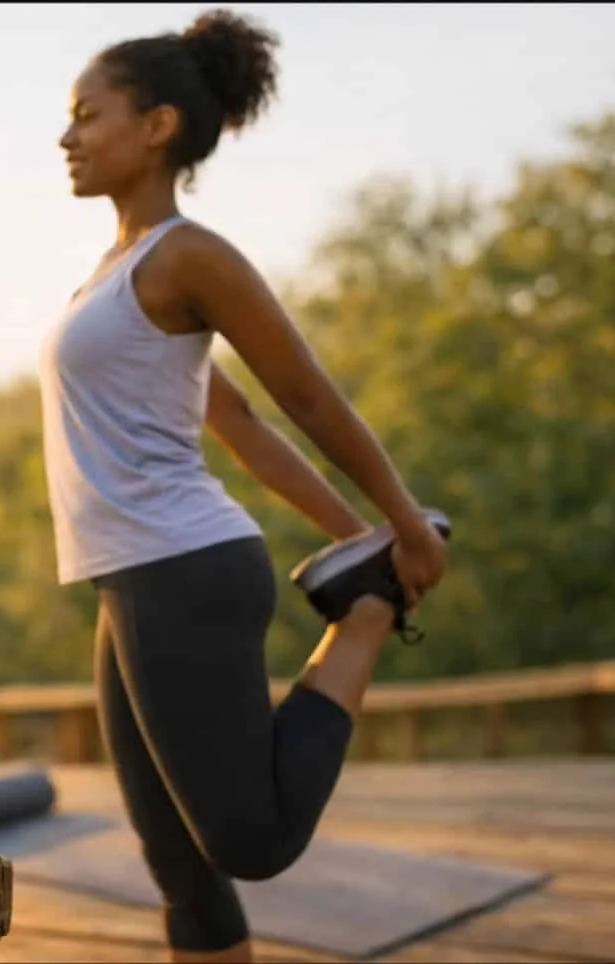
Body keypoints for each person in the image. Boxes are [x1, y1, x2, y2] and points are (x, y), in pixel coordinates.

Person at [37, 9, 452, 963]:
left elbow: (302, 395)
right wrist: (355, 531)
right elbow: (239, 427)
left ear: (156, 127)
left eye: (87, 114)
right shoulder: (111, 274)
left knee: (248, 842)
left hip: (182, 566)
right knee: (181, 867)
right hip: (127, 580)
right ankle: (371, 577)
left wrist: (398, 535)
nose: (67, 137)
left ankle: (369, 614)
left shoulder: (191, 254)